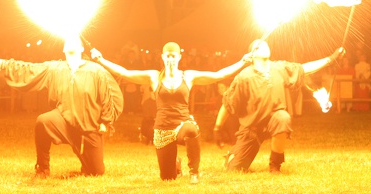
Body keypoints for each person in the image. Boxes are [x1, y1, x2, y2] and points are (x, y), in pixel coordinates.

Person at [90, 42, 250, 184]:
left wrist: (242, 61)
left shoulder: (188, 76)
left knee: (191, 130)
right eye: (168, 56)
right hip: (162, 129)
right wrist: (101, 60)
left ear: (180, 57)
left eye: (174, 56)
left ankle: (194, 172)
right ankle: (176, 164)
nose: (171, 59)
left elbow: (219, 75)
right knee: (167, 178)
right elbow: (125, 73)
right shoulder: (154, 76)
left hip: (182, 125)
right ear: (162, 57)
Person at [0, 36, 123, 178]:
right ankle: (42, 168)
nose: (71, 41)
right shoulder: (54, 68)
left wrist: (106, 122)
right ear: (63, 49)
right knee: (43, 121)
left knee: (96, 172)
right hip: (63, 121)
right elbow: (28, 69)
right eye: (68, 41)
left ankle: (87, 165)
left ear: (82, 49)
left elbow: (111, 94)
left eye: (75, 41)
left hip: (89, 127)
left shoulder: (96, 71)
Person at [215, 40, 344, 173]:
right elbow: (228, 103)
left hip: (274, 120)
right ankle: (232, 156)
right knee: (234, 169)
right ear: (252, 55)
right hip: (251, 129)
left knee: (283, 117)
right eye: (259, 45)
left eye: (265, 43)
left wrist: (330, 59)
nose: (264, 45)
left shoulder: (278, 68)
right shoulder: (244, 77)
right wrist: (217, 128)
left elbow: (304, 68)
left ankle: (275, 165)